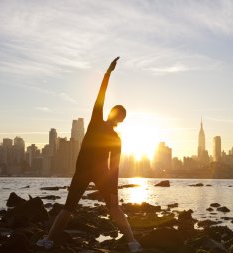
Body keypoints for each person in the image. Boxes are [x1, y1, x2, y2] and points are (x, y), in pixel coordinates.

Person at [37, 57, 143, 252]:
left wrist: (114, 192)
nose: (117, 117)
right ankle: (49, 240)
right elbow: (100, 95)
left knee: (109, 208)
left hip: (97, 173)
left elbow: (115, 167)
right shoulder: (98, 122)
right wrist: (108, 73)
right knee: (70, 209)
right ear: (114, 115)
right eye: (118, 114)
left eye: (120, 116)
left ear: (119, 119)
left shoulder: (114, 137)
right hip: (85, 172)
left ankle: (132, 242)